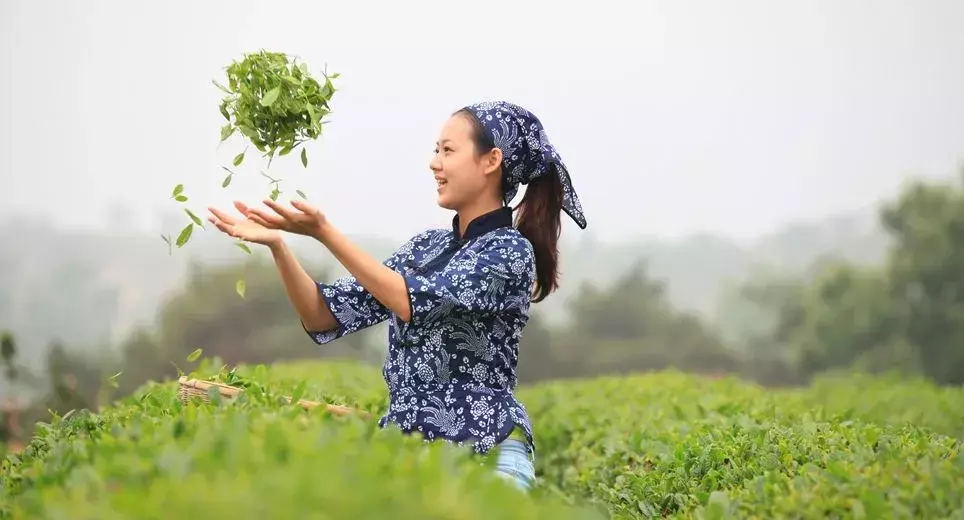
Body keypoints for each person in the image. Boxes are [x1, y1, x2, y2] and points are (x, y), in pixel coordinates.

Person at [207, 100, 587, 492]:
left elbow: (410, 301)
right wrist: (279, 248)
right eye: (436, 150)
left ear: (491, 161)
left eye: (448, 150)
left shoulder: (508, 252)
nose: (434, 163)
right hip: (411, 459)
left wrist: (325, 232)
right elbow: (323, 315)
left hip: (488, 458)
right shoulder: (424, 247)